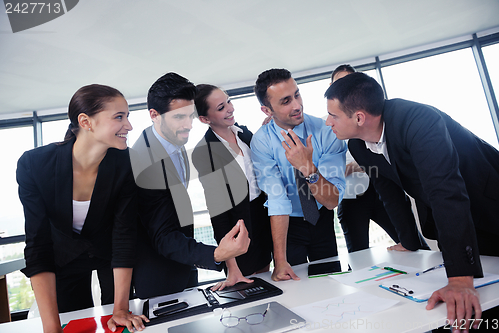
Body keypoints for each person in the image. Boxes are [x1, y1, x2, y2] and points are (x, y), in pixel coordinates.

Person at [324, 72, 499, 329]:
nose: (328, 122)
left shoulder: (418, 120)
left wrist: (461, 279)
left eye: (333, 115)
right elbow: (388, 191)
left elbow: (445, 192)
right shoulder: (358, 145)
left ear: (359, 117)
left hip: (490, 201)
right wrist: (407, 240)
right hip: (460, 221)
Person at [17, 84, 148, 333]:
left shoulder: (127, 163)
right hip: (63, 256)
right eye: (119, 117)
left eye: (128, 116)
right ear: (86, 122)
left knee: (122, 322)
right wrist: (51, 327)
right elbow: (38, 245)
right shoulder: (34, 165)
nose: (129, 126)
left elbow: (124, 235)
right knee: (71, 323)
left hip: (111, 254)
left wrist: (120, 308)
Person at [129, 73, 250, 299]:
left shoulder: (172, 140)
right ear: (154, 115)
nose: (188, 125)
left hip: (183, 266)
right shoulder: (144, 161)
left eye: (190, 115)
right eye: (179, 117)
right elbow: (163, 236)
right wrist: (216, 253)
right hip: (159, 277)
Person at [251, 68, 346, 282]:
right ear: (267, 110)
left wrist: (309, 169)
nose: (297, 105)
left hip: (322, 220)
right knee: (294, 290)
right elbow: (277, 200)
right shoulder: (262, 142)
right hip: (288, 226)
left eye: (297, 94)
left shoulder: (326, 131)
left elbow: (332, 201)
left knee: (330, 283)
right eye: (285, 101)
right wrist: (280, 260)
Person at [192, 84, 273, 287]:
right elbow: (218, 212)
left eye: (228, 101)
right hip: (239, 223)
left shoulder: (244, 133)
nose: (230, 108)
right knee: (249, 284)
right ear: (205, 119)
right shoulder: (204, 152)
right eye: (221, 107)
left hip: (263, 214)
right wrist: (232, 268)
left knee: (268, 275)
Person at [331, 65, 400, 252]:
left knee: (409, 241)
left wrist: (364, 165)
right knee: (358, 256)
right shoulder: (329, 124)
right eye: (340, 83)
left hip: (381, 191)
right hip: (352, 197)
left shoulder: (375, 116)